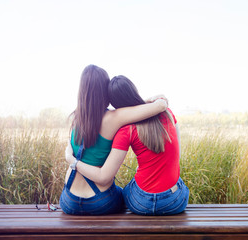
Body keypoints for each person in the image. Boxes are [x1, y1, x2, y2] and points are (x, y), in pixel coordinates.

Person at [65, 75, 189, 216]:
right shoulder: (167, 114)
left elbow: (105, 174)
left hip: (141, 204)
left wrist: (72, 160)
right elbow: (176, 154)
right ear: (134, 89)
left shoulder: (125, 130)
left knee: (126, 191)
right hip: (175, 201)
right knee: (177, 183)